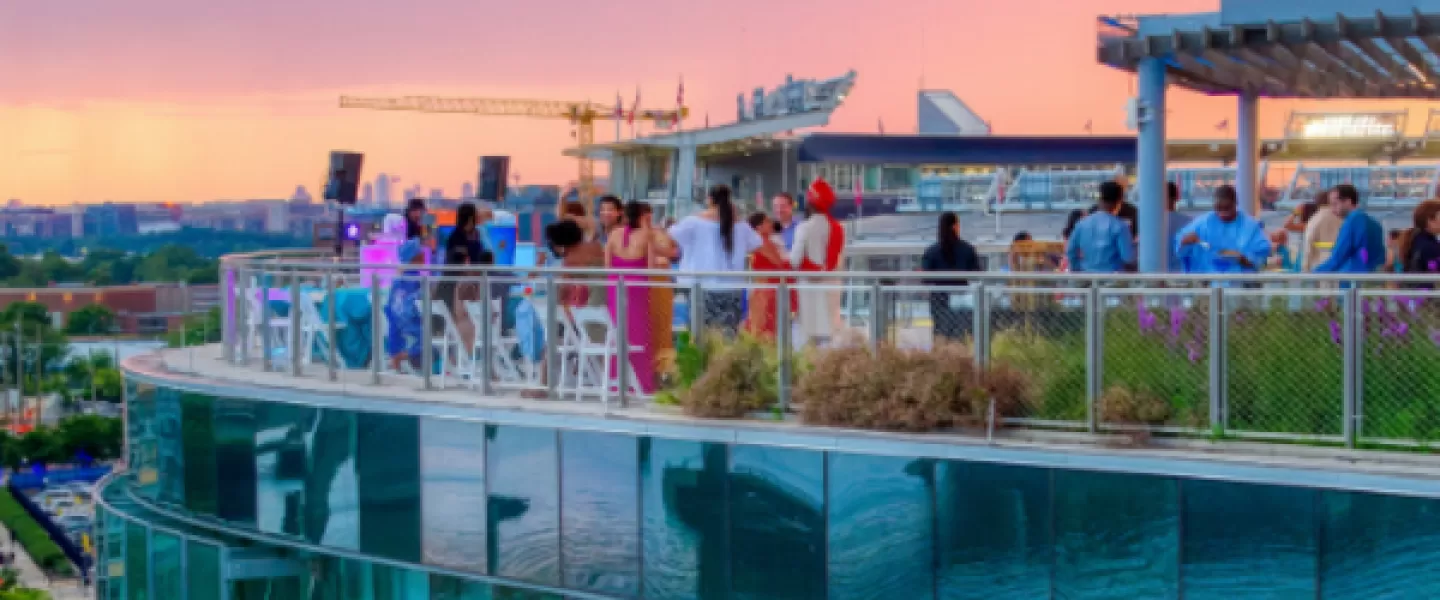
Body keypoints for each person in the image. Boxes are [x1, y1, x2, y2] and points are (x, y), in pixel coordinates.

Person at [668, 185, 765, 334]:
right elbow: (757, 243)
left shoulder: (694, 222)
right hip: (732, 287)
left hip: (701, 286)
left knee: (700, 334)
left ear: (709, 199)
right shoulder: (740, 225)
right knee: (728, 334)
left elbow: (672, 237)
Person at [605, 201, 658, 393]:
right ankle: (640, 383)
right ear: (642, 216)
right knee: (638, 333)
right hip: (637, 287)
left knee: (617, 330)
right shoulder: (647, 236)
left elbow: (607, 266)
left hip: (615, 285)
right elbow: (651, 268)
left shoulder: (613, 234)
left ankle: (616, 380)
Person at [791, 178, 847, 345]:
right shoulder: (839, 228)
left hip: (808, 290)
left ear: (809, 202)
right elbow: (837, 261)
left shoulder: (804, 228)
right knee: (829, 339)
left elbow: (794, 261)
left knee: (806, 340)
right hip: (831, 288)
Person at [1175, 185, 1271, 278]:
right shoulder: (1202, 223)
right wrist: (1184, 242)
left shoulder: (1250, 226)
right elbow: (1180, 248)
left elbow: (1262, 255)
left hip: (1240, 283)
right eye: (1218, 208)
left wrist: (1243, 259)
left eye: (1227, 208)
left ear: (1236, 203)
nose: (1223, 213)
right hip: (1208, 282)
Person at [921, 212, 981, 342]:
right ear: (955, 226)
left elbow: (925, 278)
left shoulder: (931, 251)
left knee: (940, 333)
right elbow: (977, 274)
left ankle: (941, 352)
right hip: (962, 298)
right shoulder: (967, 249)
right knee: (961, 333)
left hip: (939, 299)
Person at [1314, 184, 1386, 275]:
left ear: (1348, 201)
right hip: (1373, 276)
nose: (1332, 209)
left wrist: (1312, 274)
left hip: (1354, 278)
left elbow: (1338, 257)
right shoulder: (1375, 224)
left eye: (1335, 204)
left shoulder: (1353, 221)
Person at [1066, 181, 1135, 274]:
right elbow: (1128, 257)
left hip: (1086, 276)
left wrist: (1077, 268)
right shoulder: (1120, 226)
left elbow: (1071, 251)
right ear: (1118, 202)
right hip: (1112, 278)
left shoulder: (1082, 224)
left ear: (1100, 198)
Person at [743, 213, 791, 338]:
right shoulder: (761, 243)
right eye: (767, 222)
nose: (771, 224)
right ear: (759, 227)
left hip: (771, 290)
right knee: (762, 328)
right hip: (765, 292)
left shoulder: (769, 242)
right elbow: (780, 264)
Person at [384, 239, 427, 373]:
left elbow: (391, 309)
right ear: (414, 258)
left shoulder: (398, 281)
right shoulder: (415, 281)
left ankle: (398, 358)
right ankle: (403, 356)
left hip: (397, 329)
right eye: (420, 252)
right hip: (412, 328)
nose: (424, 255)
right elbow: (415, 309)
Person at [1398, 200, 1440, 282]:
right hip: (1426, 288)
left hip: (1413, 288)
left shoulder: (1414, 240)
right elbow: (1434, 272)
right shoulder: (1430, 247)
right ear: (1430, 220)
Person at [1303, 189, 1343, 273]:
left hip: (1320, 263)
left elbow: (1308, 245)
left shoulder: (1315, 220)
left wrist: (1305, 268)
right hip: (1341, 263)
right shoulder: (1341, 218)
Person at [1165, 181, 1193, 273]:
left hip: (1154, 274)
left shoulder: (1149, 224)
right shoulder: (1189, 222)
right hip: (1180, 273)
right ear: (1177, 197)